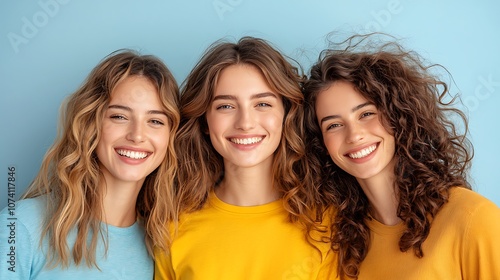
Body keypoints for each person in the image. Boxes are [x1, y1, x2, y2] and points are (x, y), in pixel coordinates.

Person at [303, 33, 500, 279]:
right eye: (333, 125)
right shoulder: (343, 244)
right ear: (320, 143)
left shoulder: (474, 219)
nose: (354, 135)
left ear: (399, 116)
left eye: (366, 114)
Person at [154, 37, 336, 279]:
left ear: (286, 114)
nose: (245, 123)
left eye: (262, 103)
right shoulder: (171, 227)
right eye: (226, 106)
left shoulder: (326, 223)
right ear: (205, 121)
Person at [0, 50, 180, 279]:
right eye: (119, 116)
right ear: (91, 124)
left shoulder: (161, 245)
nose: (137, 135)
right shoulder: (22, 225)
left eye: (155, 121)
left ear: (171, 137)